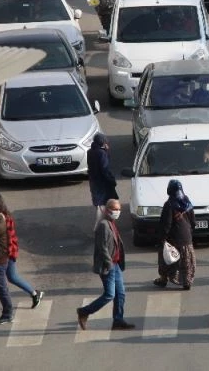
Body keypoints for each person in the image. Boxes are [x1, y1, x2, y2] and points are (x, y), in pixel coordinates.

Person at [77, 199, 135, 331]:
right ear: (108, 210)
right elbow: (102, 247)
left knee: (120, 293)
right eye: (115, 210)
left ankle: (118, 320)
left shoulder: (111, 223)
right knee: (110, 294)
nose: (118, 212)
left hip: (116, 265)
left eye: (119, 209)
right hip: (108, 266)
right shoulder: (103, 225)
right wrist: (109, 264)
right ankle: (84, 312)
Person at [0, 193, 44, 309]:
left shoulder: (2, 219)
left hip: (5, 252)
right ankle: (34, 293)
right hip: (9, 251)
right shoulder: (4, 216)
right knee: (10, 277)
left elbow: (0, 236)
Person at [154, 180, 196, 290]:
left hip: (174, 239)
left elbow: (166, 224)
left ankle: (163, 279)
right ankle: (187, 282)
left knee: (164, 258)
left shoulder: (169, 205)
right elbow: (193, 221)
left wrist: (162, 239)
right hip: (187, 239)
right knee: (187, 262)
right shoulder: (187, 202)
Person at [87, 133, 119, 230]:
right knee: (104, 205)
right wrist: (112, 180)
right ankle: (100, 226)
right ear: (102, 143)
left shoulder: (90, 152)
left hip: (94, 182)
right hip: (103, 184)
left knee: (99, 205)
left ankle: (102, 225)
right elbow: (105, 169)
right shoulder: (102, 153)